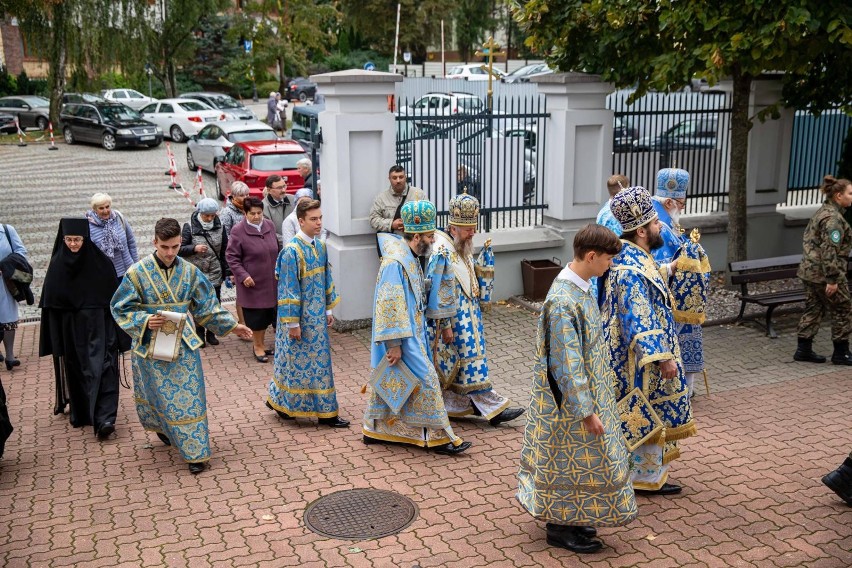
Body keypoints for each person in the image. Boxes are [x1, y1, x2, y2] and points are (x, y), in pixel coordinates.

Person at [518, 224, 637, 554]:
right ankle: (559, 525)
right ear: (591, 255)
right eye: (608, 259)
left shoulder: (582, 286)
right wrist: (585, 409)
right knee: (565, 460)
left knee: (584, 459)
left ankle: (574, 516)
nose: (610, 265)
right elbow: (566, 362)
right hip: (568, 405)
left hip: (589, 394)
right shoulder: (562, 301)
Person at [111, 218, 252, 474]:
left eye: (175, 246)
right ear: (154, 242)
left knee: (190, 397)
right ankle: (164, 428)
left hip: (184, 343)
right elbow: (119, 307)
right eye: (165, 246)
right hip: (151, 343)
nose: (170, 253)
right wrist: (144, 320)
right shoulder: (137, 273)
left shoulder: (189, 272)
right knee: (158, 393)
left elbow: (207, 306)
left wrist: (233, 326)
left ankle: (195, 452)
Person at [599, 186, 696, 495]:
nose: (660, 227)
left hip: (646, 356)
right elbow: (638, 319)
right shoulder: (629, 268)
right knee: (645, 409)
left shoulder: (637, 257)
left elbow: (651, 285)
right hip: (640, 361)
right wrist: (663, 357)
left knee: (651, 409)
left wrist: (670, 269)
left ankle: (648, 474)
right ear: (641, 231)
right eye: (655, 223)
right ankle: (642, 477)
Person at [362, 200, 472, 455]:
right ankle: (440, 436)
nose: (433, 240)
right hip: (402, 337)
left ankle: (375, 429)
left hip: (414, 332)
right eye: (430, 236)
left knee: (400, 382)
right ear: (416, 235)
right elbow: (388, 305)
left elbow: (414, 295)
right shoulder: (394, 262)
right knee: (427, 381)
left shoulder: (410, 256)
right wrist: (394, 345)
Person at [426, 191, 525, 426]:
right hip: (454, 323)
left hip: (470, 321)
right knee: (469, 368)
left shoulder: (462, 247)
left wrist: (482, 266)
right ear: (453, 229)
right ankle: (492, 408)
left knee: (463, 370)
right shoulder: (441, 253)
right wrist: (447, 326)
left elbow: (468, 281)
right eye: (468, 229)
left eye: (473, 227)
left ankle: (461, 406)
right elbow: (437, 294)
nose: (473, 233)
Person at [265, 199, 349, 427]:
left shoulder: (320, 246)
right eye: (313, 219)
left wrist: (329, 309)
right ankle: (284, 403)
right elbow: (287, 289)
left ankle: (325, 411)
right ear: (300, 221)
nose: (319, 223)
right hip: (298, 321)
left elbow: (326, 279)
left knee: (320, 364)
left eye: (320, 218)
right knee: (291, 364)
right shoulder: (291, 252)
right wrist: (293, 324)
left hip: (318, 320)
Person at [39, 218, 124, 439]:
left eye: (78, 240)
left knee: (105, 367)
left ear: (85, 239)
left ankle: (105, 418)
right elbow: (51, 305)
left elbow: (115, 300)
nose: (73, 244)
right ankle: (84, 412)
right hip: (72, 332)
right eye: (69, 240)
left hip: (100, 327)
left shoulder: (102, 263)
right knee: (78, 370)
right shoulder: (57, 266)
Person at [651, 168, 710, 397]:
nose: (682, 209)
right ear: (668, 201)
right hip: (670, 300)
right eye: (681, 204)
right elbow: (659, 265)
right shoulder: (660, 226)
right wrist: (681, 263)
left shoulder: (663, 219)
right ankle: (676, 390)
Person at [793, 175, 852, 365]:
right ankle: (841, 353)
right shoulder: (833, 219)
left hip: (809, 272)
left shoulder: (823, 212)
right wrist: (833, 280)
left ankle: (803, 350)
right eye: (850, 193)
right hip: (824, 274)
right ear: (838, 196)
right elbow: (829, 251)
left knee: (814, 308)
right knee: (843, 308)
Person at [226, 196, 281, 362]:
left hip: (272, 281)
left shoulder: (269, 225)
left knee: (270, 314)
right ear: (245, 213)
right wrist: (243, 276)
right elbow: (231, 257)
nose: (257, 216)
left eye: (259, 213)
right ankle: (257, 346)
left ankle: (264, 345)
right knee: (257, 318)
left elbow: (277, 248)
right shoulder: (238, 231)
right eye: (253, 213)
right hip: (253, 283)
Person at [179, 198, 229, 347]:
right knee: (197, 304)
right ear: (200, 213)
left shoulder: (220, 227)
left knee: (214, 303)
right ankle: (199, 332)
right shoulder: (189, 227)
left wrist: (227, 272)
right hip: (196, 272)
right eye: (206, 215)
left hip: (214, 271)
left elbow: (225, 251)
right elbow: (180, 250)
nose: (209, 218)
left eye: (212, 215)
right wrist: (194, 249)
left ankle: (211, 333)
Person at [85, 193, 139, 282]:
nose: (105, 211)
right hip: (107, 275)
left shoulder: (119, 218)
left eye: (107, 207)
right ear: (94, 209)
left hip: (128, 270)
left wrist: (136, 264)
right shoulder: (88, 226)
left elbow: (131, 242)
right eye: (101, 208)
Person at [219, 181, 250, 327]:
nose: (246, 197)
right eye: (242, 195)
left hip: (249, 255)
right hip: (237, 256)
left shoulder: (247, 209)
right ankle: (242, 322)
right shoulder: (227, 212)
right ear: (234, 196)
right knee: (241, 293)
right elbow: (225, 238)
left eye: (247, 194)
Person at [369, 165, 427, 236]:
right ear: (389, 179)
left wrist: (413, 223)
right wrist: (391, 224)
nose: (398, 180)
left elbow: (428, 217)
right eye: (394, 178)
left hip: (414, 241)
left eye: (401, 177)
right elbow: (373, 220)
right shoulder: (381, 198)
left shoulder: (419, 194)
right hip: (391, 243)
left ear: (405, 177)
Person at [0, 223, 28, 371]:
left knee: (7, 318)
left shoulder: (7, 230)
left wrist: (6, 266)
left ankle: (10, 356)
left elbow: (21, 251)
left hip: (6, 283)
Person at [262, 175, 292, 246]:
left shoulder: (293, 199)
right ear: (269, 190)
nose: (283, 190)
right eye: (279, 188)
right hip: (277, 248)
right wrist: (289, 242)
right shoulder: (263, 207)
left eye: (284, 186)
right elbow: (269, 232)